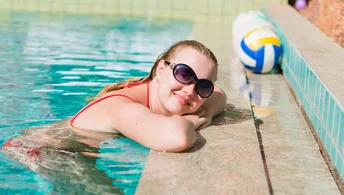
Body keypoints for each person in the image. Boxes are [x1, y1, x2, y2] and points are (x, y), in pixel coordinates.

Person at [2, 39, 227, 162]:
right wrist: (193, 120)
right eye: (184, 74)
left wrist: (207, 111)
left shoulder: (164, 94)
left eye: (202, 86)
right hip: (43, 150)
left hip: (70, 151)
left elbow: (220, 94)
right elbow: (175, 137)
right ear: (160, 69)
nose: (190, 90)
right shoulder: (122, 106)